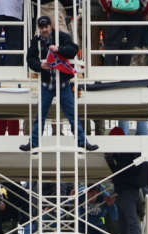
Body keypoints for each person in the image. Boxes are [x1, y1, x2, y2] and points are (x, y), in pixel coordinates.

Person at [22, 17, 96, 152]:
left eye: (46, 26)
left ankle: (82, 142)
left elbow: (73, 49)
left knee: (72, 115)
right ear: (39, 28)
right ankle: (34, 142)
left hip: (62, 83)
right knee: (40, 115)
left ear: (51, 26)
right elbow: (30, 59)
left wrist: (58, 49)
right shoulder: (36, 41)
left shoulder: (61, 36)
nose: (44, 29)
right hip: (47, 84)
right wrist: (40, 65)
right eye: (42, 27)